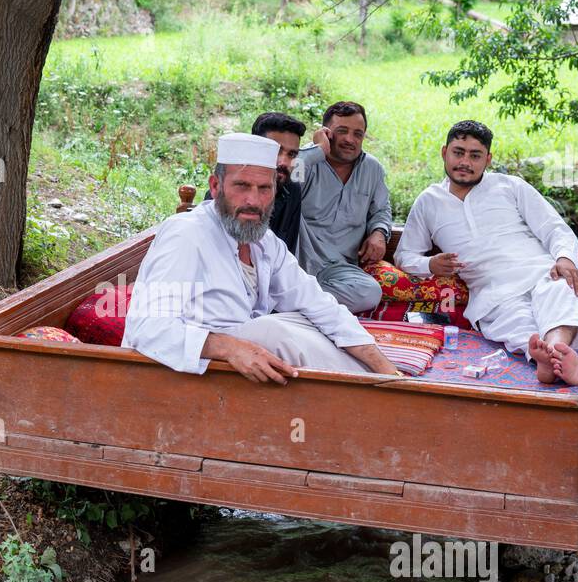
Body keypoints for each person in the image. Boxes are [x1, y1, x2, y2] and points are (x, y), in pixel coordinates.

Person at [122, 132, 400, 381]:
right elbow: (147, 328)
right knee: (271, 331)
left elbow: (319, 305)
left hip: (234, 376)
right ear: (216, 187)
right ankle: (365, 394)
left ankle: (384, 384)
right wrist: (229, 347)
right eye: (242, 186)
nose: (253, 201)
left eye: (264, 188)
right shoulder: (186, 235)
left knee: (309, 320)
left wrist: (384, 366)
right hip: (175, 375)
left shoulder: (264, 242)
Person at [393, 120, 578, 386]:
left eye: (475, 155)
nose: (465, 161)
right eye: (458, 152)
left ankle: (556, 352)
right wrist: (429, 264)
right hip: (492, 292)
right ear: (444, 152)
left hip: (540, 272)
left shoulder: (510, 186)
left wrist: (564, 258)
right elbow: (404, 256)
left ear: (488, 159)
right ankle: (550, 360)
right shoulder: (428, 202)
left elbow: (553, 228)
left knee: (563, 287)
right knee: (514, 324)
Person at [296, 101, 393, 313]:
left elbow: (381, 210)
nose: (350, 139)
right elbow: (283, 179)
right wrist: (317, 150)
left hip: (338, 270)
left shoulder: (372, 169)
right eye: (342, 131)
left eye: (358, 134)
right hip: (296, 264)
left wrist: (378, 232)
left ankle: (296, 302)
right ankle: (301, 301)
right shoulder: (308, 162)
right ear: (326, 133)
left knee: (370, 293)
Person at [203, 112, 304, 255]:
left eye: (291, 155)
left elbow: (286, 255)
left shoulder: (291, 189)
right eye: (276, 151)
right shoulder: (225, 193)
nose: (283, 162)